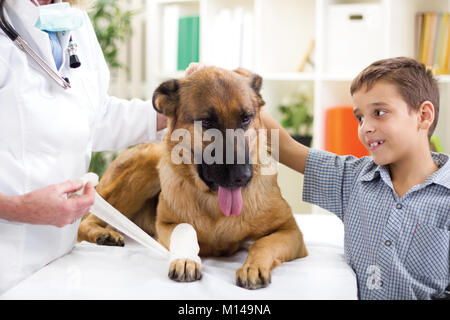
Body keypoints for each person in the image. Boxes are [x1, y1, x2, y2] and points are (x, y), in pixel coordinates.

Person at [187, 58, 449, 299]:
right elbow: (286, 147)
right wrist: (231, 89)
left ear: (424, 116)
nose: (365, 127)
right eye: (359, 117)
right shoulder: (353, 179)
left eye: (379, 112)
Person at [0, 0, 166, 294]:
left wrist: (171, 112)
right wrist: (18, 208)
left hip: (58, 261)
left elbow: (93, 116)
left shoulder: (74, 22)